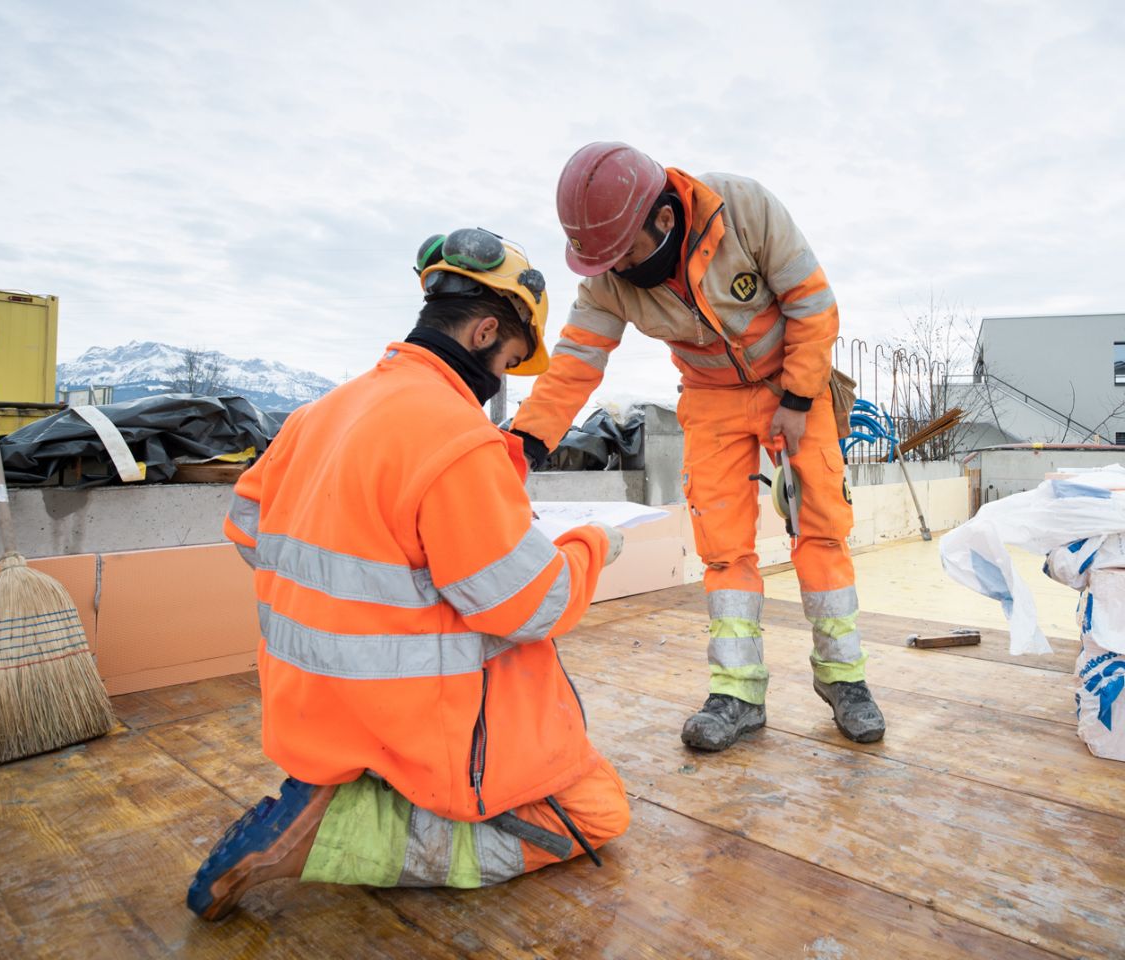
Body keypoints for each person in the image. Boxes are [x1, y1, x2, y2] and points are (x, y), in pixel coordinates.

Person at [187, 228, 630, 921]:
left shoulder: (316, 414)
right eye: (509, 361)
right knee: (595, 810)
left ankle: (345, 786)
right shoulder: (456, 436)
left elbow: (248, 530)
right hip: (413, 721)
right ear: (485, 332)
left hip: (314, 716)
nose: (500, 380)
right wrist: (593, 544)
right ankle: (328, 836)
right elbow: (532, 605)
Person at [510, 142, 886, 753]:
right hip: (712, 400)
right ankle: (737, 693)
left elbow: (813, 305)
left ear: (663, 218)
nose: (616, 268)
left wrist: (797, 400)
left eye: (624, 253)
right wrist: (524, 443)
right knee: (723, 550)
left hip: (795, 385)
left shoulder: (743, 209)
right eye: (603, 260)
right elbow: (577, 358)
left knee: (821, 531)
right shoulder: (606, 277)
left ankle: (844, 679)